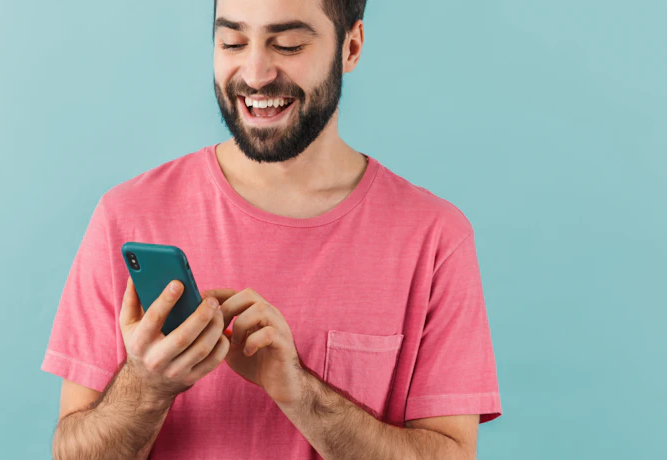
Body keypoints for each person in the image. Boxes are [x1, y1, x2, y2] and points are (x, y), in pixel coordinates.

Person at [41, 0, 502, 458]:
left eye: (288, 44)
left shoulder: (435, 236)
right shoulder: (127, 215)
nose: (256, 73)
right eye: (233, 42)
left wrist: (300, 394)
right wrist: (147, 385)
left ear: (351, 47)